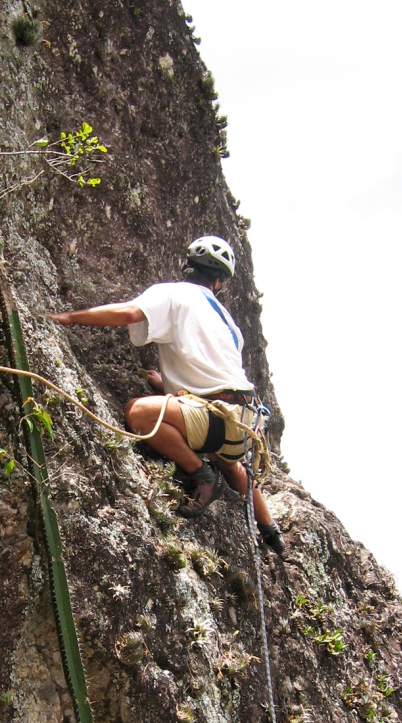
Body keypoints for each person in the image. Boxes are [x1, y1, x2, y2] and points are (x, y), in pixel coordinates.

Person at [46, 235, 285, 555]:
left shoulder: (173, 292)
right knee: (231, 464)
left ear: (187, 267)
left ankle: (201, 476)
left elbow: (130, 313)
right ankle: (271, 531)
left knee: (139, 413)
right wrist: (167, 386)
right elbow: (212, 371)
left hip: (216, 417)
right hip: (244, 421)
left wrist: (70, 317)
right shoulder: (229, 324)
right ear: (218, 282)